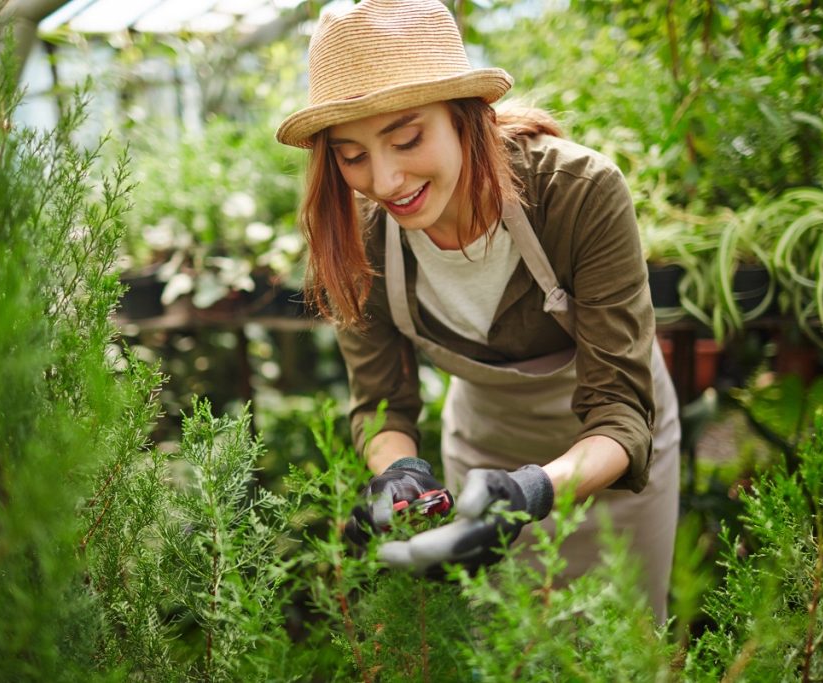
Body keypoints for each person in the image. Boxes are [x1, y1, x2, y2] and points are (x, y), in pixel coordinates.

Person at [275, 0, 680, 622]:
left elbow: (622, 413)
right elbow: (381, 402)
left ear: (467, 118)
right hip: (483, 465)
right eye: (350, 155)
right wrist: (399, 475)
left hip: (612, 462)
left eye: (406, 138)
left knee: (618, 646)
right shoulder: (358, 232)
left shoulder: (576, 193)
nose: (384, 181)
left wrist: (533, 491)